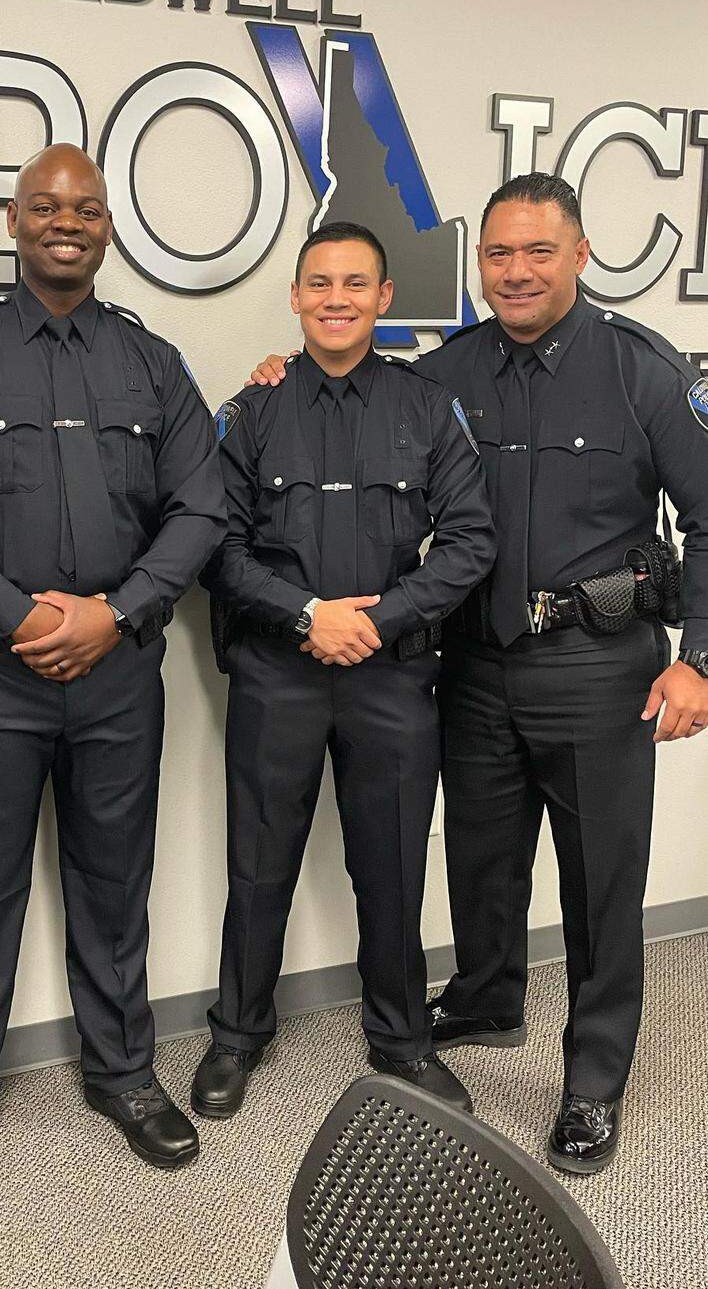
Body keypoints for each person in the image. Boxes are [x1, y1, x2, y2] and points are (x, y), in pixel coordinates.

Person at [244, 174, 708, 1172]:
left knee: (600, 887)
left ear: (581, 255)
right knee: (481, 863)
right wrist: (286, 374)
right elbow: (357, 389)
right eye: (498, 254)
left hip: (597, 668)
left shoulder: (642, 373)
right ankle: (491, 999)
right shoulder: (445, 373)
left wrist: (699, 661)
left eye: (538, 251)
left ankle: (592, 1078)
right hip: (475, 664)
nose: (517, 271)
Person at [0, 143, 226, 1218]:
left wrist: (113, 614)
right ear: (14, 220)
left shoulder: (153, 363)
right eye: (45, 207)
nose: (65, 222)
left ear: (108, 226)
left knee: (114, 886)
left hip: (123, 671)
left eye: (84, 208)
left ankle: (124, 1074)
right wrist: (23, 614)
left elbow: (202, 509)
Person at [191, 222, 494, 1122]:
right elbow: (216, 544)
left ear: (385, 298)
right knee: (259, 860)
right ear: (294, 296)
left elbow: (472, 536)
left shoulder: (426, 408)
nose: (336, 298)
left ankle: (402, 1039)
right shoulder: (250, 410)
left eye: (355, 283)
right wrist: (305, 615)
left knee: (393, 863)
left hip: (392, 676)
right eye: (319, 283)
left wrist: (381, 619)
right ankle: (238, 1034)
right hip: (278, 672)